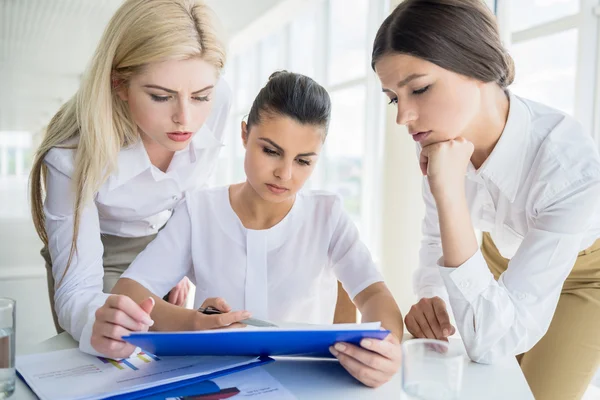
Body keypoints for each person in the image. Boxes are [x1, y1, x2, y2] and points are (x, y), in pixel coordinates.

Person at [104, 71, 404, 388]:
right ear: (245, 134)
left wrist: (388, 349)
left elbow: (373, 293)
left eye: (303, 161)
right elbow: (129, 291)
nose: (284, 174)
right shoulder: (199, 210)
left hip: (307, 388)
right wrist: (192, 322)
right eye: (271, 151)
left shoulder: (327, 214)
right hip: (217, 386)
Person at [371, 0, 600, 398]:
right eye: (393, 97)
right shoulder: (436, 137)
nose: (403, 117)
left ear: (476, 65)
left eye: (419, 89)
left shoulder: (570, 169)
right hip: (496, 251)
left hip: (587, 272)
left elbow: (494, 340)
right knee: (476, 385)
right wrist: (432, 295)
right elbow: (433, 240)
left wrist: (449, 192)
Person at [29, 0, 234, 356]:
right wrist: (95, 322)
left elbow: (194, 188)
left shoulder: (218, 99)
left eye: (200, 97)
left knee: (170, 363)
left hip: (160, 242)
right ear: (119, 85)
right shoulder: (70, 154)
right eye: (160, 96)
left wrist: (179, 259)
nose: (185, 118)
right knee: (108, 353)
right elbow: (78, 289)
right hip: (95, 253)